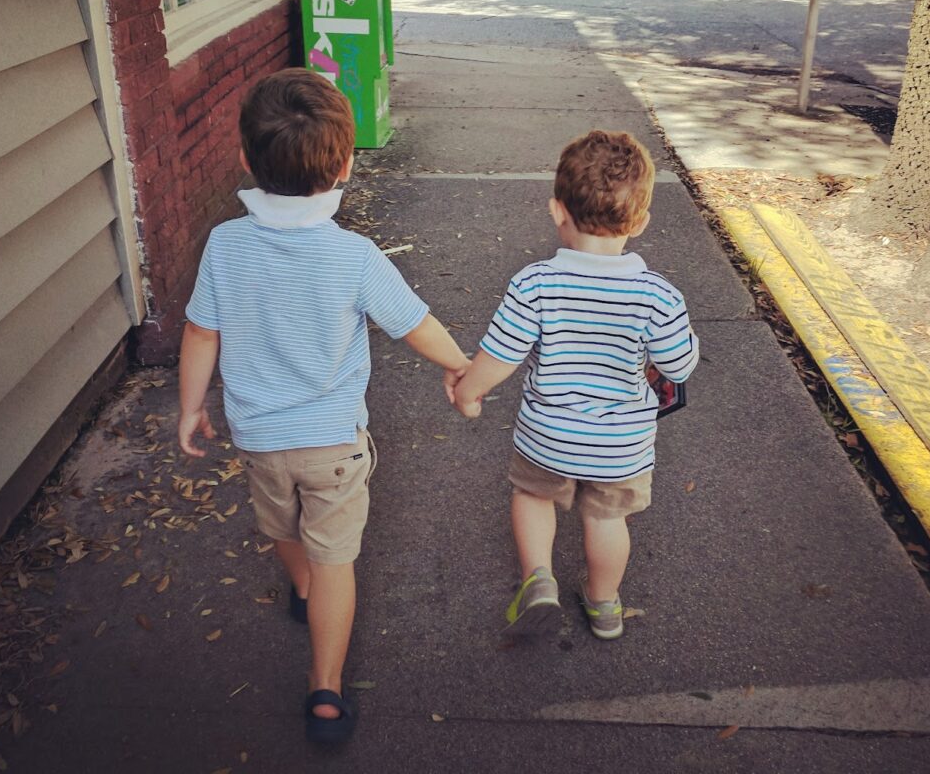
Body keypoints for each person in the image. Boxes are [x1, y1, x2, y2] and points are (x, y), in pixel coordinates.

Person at [178, 70, 470, 744]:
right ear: (343, 167)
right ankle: (327, 690)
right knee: (338, 559)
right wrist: (460, 366)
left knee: (280, 524)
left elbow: (201, 332)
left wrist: (192, 406)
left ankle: (302, 589)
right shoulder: (354, 256)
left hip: (258, 438)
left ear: (246, 160)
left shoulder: (225, 246)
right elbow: (414, 323)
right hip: (334, 444)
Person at [450, 130, 699, 641]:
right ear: (642, 221)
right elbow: (679, 366)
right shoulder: (659, 296)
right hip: (621, 446)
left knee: (532, 496)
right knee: (608, 520)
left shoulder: (535, 283)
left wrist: (468, 392)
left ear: (557, 210)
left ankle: (538, 580)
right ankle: (604, 604)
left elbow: (500, 355)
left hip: (548, 434)